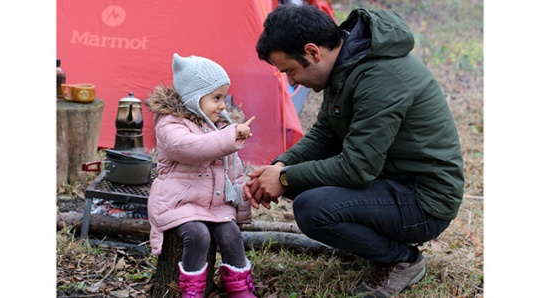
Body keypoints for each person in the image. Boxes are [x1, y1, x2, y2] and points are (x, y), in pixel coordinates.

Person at [246, 4, 464, 298]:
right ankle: (371, 246)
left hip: (424, 201)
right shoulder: (347, 65)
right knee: (299, 185)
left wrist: (285, 177)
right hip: (391, 180)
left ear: (313, 52)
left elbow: (357, 168)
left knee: (312, 207)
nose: (292, 82)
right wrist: (281, 165)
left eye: (290, 71)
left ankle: (403, 260)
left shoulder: (379, 76)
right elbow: (325, 133)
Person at [146, 53, 257, 298]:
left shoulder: (221, 125)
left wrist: (241, 208)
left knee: (231, 235)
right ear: (193, 98)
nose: (222, 105)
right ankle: (192, 290)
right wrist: (229, 137)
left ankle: (239, 287)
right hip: (180, 203)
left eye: (224, 97)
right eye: (215, 98)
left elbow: (234, 172)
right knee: (198, 235)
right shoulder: (170, 123)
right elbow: (192, 148)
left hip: (215, 205)